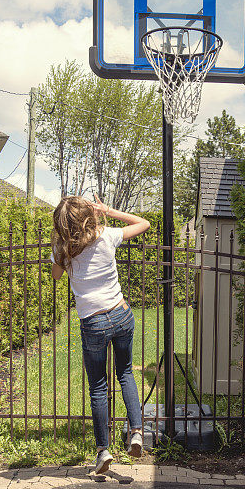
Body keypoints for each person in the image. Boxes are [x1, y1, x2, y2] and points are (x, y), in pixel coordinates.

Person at [51, 195, 150, 474]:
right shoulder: (107, 236)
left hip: (93, 323)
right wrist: (107, 210)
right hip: (121, 314)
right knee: (126, 373)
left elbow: (56, 276)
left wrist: (59, 244)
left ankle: (103, 451)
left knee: (98, 387)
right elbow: (144, 222)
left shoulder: (63, 250)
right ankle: (136, 432)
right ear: (88, 215)